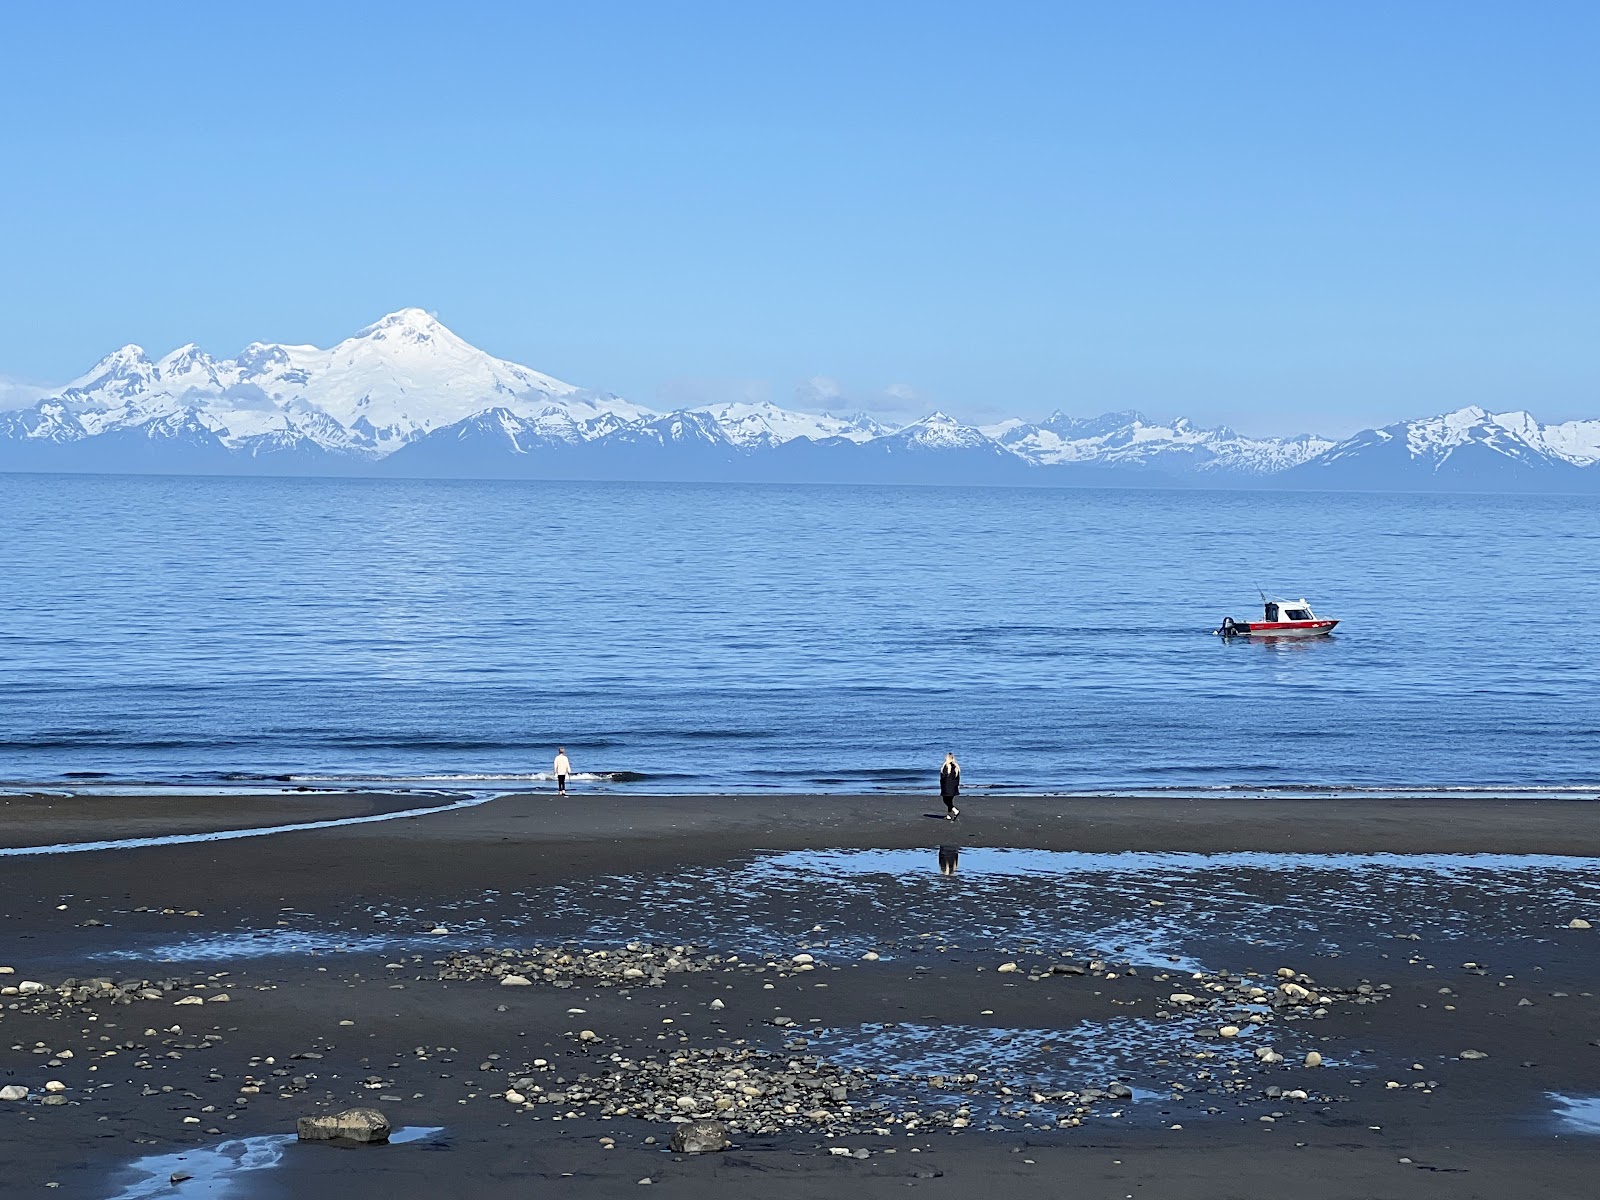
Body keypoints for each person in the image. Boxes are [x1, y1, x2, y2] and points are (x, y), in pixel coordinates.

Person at [939, 751, 961, 819]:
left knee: (945, 800)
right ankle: (949, 815)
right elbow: (958, 778)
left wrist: (942, 786)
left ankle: (955, 810)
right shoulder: (956, 767)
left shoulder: (945, 767)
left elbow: (943, 778)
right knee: (950, 800)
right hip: (954, 787)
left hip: (947, 787)